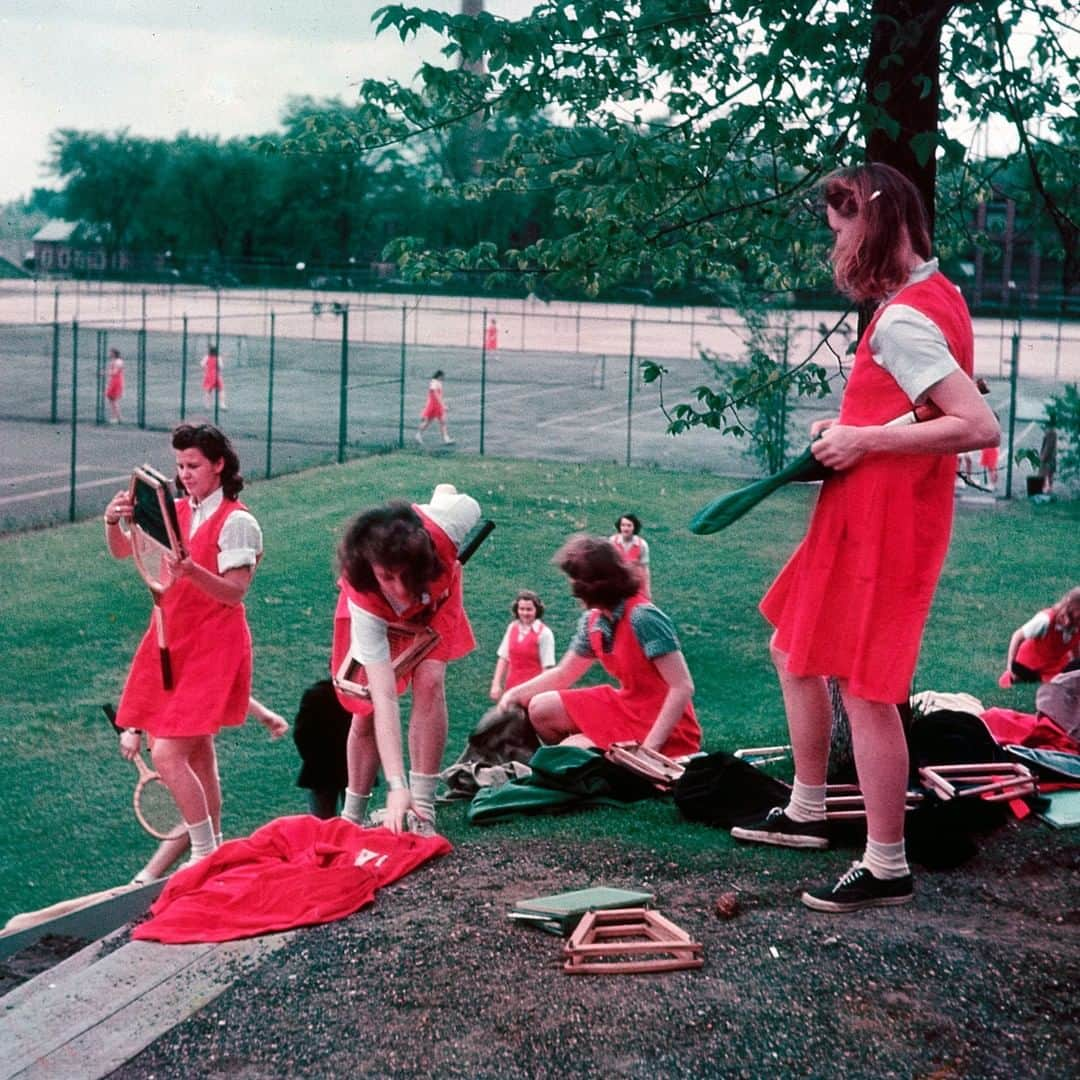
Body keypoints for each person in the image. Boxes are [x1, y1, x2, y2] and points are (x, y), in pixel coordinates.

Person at [728, 163, 999, 914]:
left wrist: (865, 445)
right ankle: (808, 809)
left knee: (869, 688)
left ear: (873, 220)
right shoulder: (933, 296)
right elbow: (931, 407)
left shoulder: (908, 315)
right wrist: (855, 433)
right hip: (863, 512)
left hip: (886, 523)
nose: (836, 243)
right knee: (792, 645)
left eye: (841, 226)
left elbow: (977, 425)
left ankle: (886, 864)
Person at [104, 422, 263, 866]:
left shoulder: (238, 522)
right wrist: (112, 521)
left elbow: (234, 592)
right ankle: (214, 847)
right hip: (170, 639)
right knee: (199, 754)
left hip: (214, 646)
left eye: (193, 465)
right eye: (179, 465)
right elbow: (123, 551)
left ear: (218, 465)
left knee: (169, 752)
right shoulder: (172, 509)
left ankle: (204, 851)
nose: (185, 473)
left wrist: (191, 571)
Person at [332, 484, 481, 833]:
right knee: (367, 704)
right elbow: (384, 697)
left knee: (430, 682)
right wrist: (395, 786)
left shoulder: (449, 524)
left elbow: (467, 502)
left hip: (436, 603)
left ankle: (423, 805)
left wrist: (443, 496)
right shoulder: (363, 597)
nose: (399, 588)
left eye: (406, 576)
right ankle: (352, 817)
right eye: (387, 576)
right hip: (380, 618)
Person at [498, 534, 700, 757]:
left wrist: (649, 750)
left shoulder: (643, 617)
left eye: (577, 580)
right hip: (628, 705)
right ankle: (592, 760)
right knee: (540, 707)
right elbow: (564, 673)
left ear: (598, 583)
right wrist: (513, 695)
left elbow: (682, 686)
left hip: (663, 723)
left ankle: (598, 766)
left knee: (569, 752)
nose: (573, 588)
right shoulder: (593, 621)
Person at [119, 696, 288, 884]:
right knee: (201, 810)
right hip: (177, 728)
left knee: (202, 811)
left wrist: (134, 730)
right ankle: (152, 876)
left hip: (185, 725)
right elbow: (155, 682)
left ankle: (155, 875)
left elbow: (213, 679)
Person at [998, 588, 1080, 687]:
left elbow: (1074, 645)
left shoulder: (1076, 624)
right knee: (1019, 677)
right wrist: (1010, 665)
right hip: (1031, 662)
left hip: (1054, 664)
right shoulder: (1045, 620)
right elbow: (1017, 636)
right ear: (1071, 608)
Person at [489, 590, 557, 701]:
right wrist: (496, 684)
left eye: (529, 609)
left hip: (533, 691)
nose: (525, 613)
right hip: (512, 689)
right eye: (522, 609)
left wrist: (542, 696)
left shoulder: (545, 633)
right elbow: (503, 657)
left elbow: (547, 668)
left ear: (537, 610)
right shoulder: (512, 628)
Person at [609, 512, 651, 597]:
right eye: (623, 525)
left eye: (629, 525)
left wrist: (647, 590)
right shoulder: (612, 541)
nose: (625, 528)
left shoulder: (642, 544)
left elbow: (645, 569)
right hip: (617, 583)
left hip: (635, 585)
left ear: (634, 527)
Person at [416, 369, 453, 445]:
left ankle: (446, 439)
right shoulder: (434, 382)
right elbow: (435, 394)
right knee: (429, 422)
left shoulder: (438, 382)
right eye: (442, 376)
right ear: (439, 376)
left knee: (442, 421)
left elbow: (438, 395)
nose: (443, 378)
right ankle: (418, 435)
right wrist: (443, 405)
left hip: (437, 405)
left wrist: (442, 405)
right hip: (434, 406)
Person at [201, 344, 227, 411]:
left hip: (209, 375)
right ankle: (222, 405)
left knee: (208, 391)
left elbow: (202, 364)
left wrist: (207, 368)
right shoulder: (218, 357)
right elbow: (221, 367)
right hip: (216, 375)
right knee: (221, 390)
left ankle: (207, 405)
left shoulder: (206, 357)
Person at [104, 346, 125, 424]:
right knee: (111, 399)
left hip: (117, 382)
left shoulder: (118, 361)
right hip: (113, 381)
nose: (109, 354)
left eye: (111, 352)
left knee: (114, 399)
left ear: (114, 353)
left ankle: (118, 418)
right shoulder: (114, 361)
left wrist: (104, 373)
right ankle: (115, 417)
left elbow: (115, 372)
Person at [1039, 419, 1058, 494]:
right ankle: (1047, 491)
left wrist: (1042, 458)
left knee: (1044, 475)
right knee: (1049, 476)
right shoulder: (1052, 432)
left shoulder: (1051, 432)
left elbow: (1048, 447)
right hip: (1050, 459)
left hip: (1048, 459)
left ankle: (1045, 492)